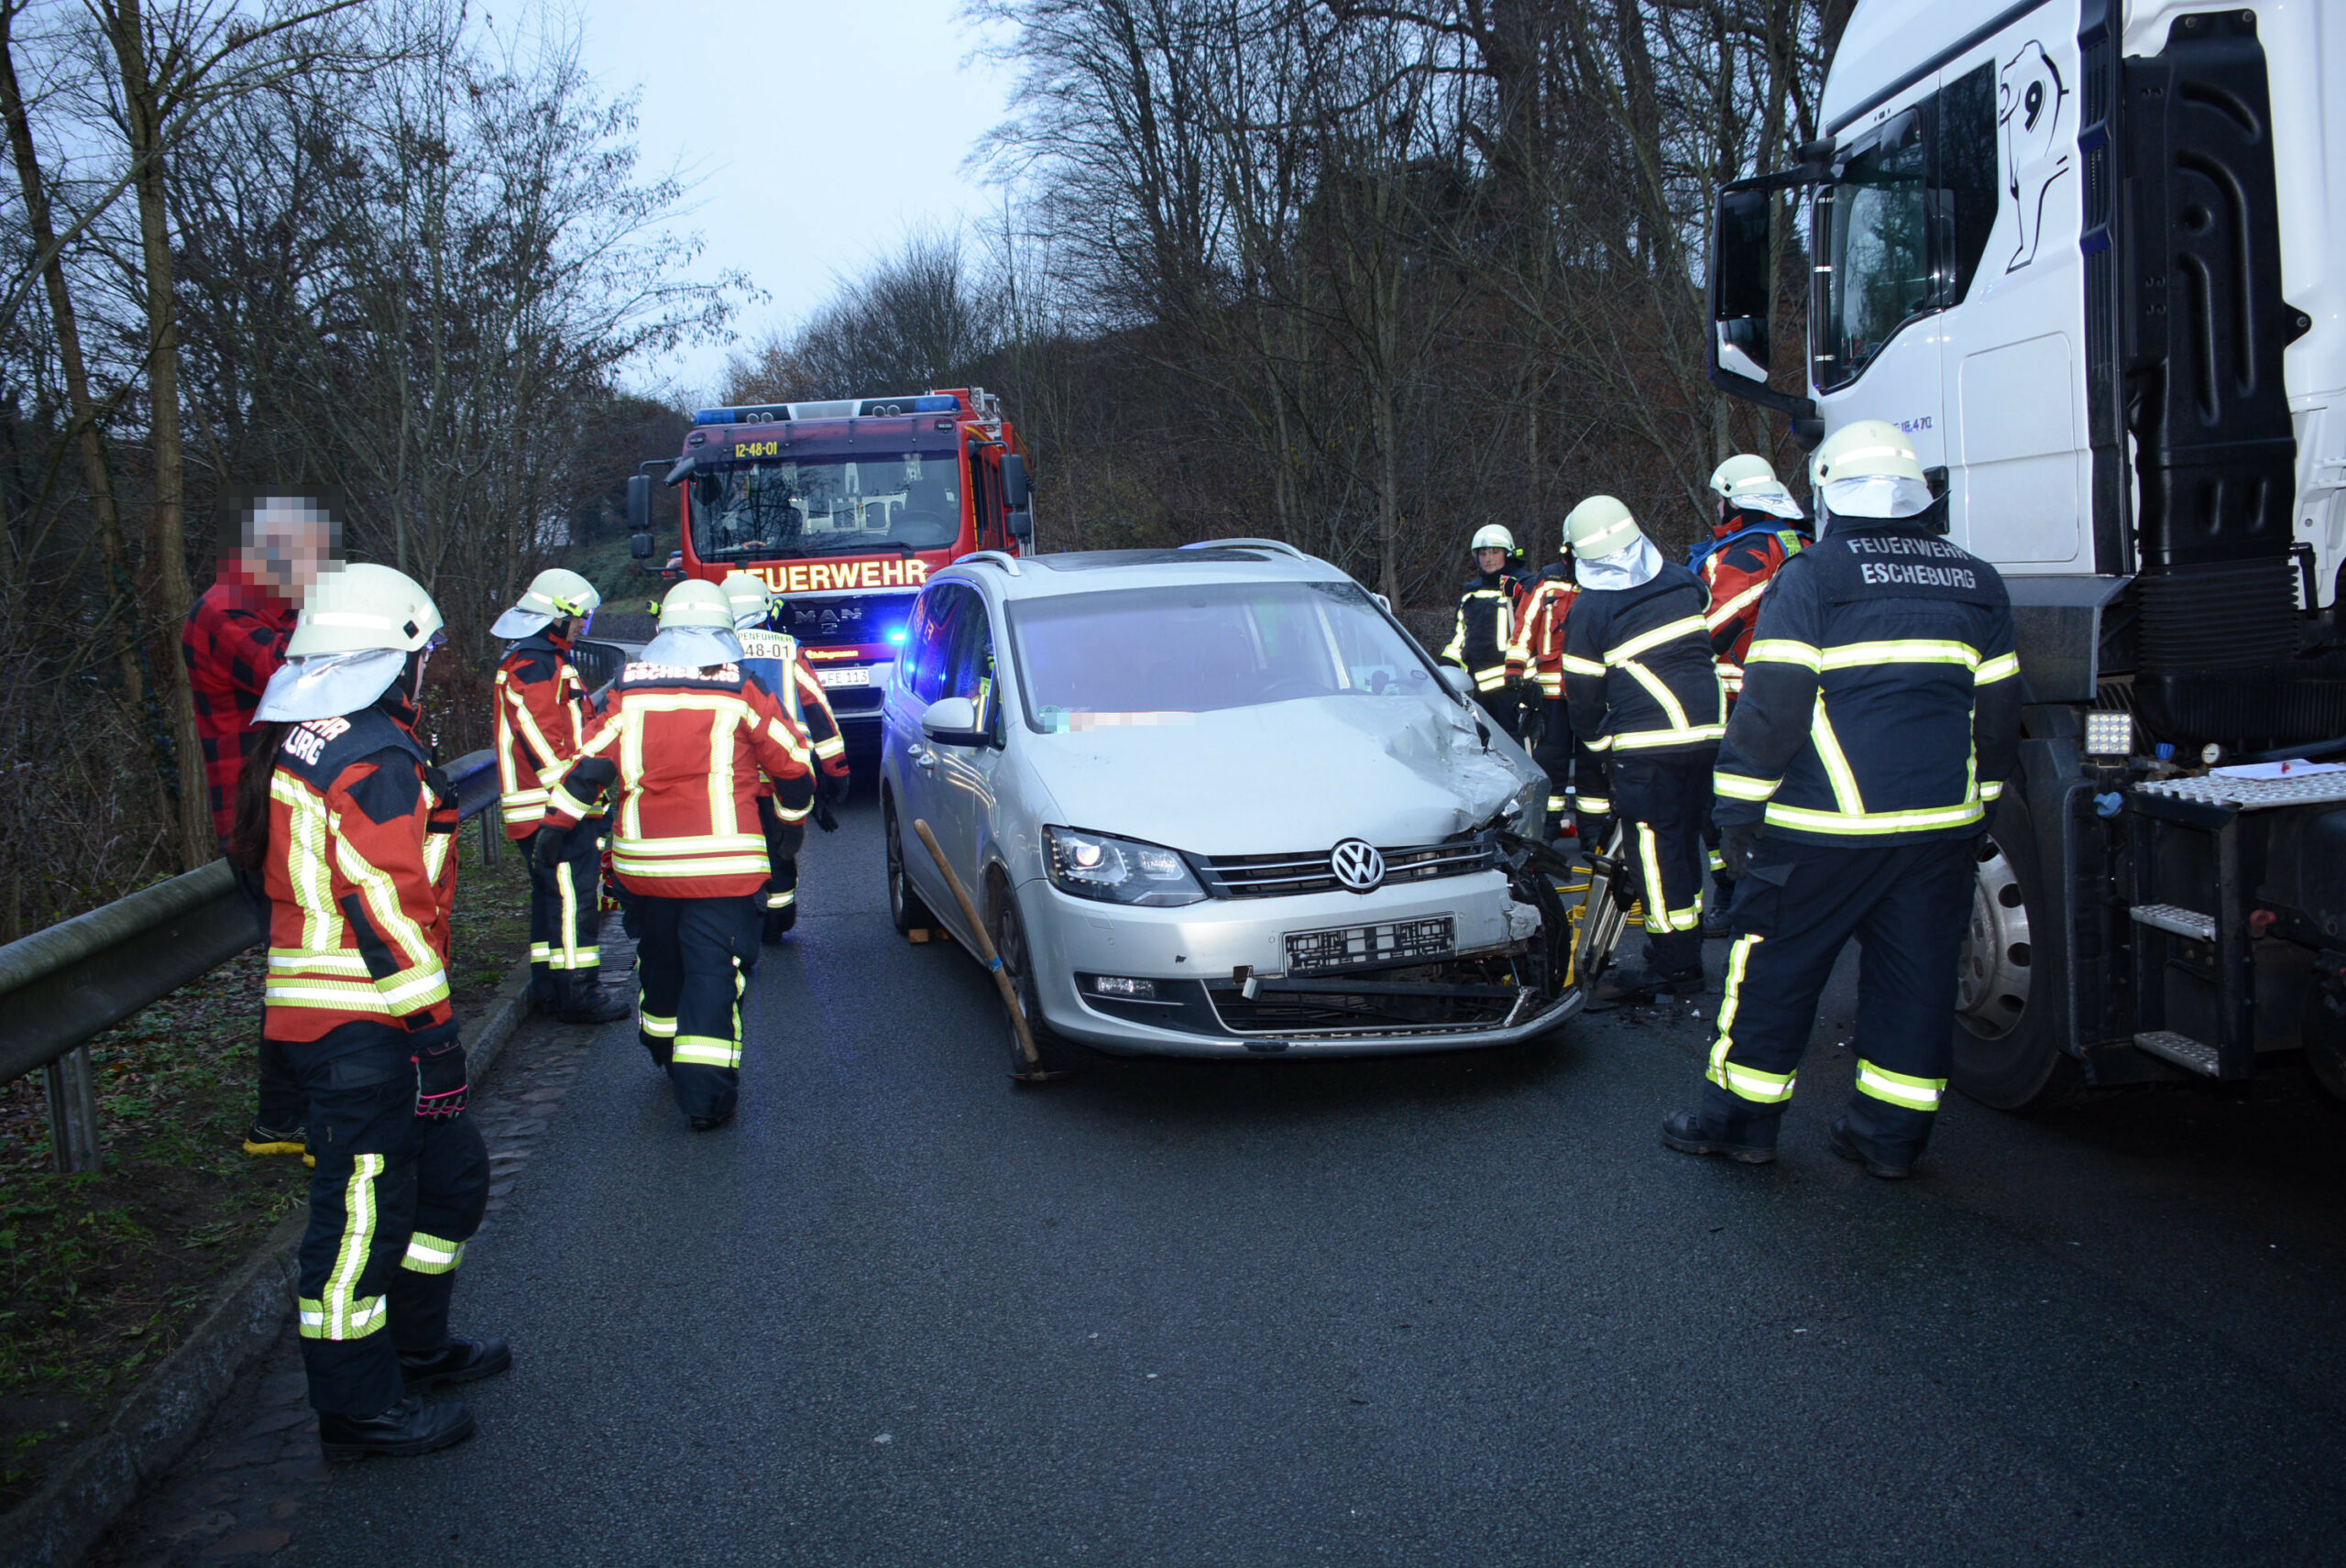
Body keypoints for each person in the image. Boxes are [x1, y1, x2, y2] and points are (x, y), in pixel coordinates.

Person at [1661, 421, 2021, 1178]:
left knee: (1775, 974)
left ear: (1828, 491)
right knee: (1918, 983)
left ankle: (1738, 1125)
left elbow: (1774, 706)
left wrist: (1737, 810)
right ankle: (1888, 1139)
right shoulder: (1978, 580)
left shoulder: (1815, 576)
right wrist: (1979, 803)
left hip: (1821, 831)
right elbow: (1996, 715)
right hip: (1939, 834)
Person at [231, 563, 500, 1461]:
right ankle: (357, 1410)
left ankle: (417, 1350)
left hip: (349, 1019)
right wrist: (438, 1037)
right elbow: (389, 912)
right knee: (357, 1224)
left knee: (449, 1181)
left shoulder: (308, 735)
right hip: (364, 1028)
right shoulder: (372, 755)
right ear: (397, 659)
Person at [537, 580, 817, 1130]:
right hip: (724, 869)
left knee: (661, 964)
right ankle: (706, 1096)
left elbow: (589, 764)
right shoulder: (740, 688)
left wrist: (556, 826)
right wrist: (789, 827)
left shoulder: (629, 689)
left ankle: (664, 1049)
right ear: (723, 631)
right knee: (713, 972)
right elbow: (790, 765)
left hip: (646, 868)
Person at [183, 494, 339, 1161]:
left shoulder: (278, 608)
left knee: (299, 961)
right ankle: (293, 1115)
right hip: (257, 821)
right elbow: (301, 676)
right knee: (300, 965)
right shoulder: (224, 613)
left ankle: (282, 1117)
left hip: (289, 811)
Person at [1560, 495, 1725, 1000]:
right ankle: (1687, 944)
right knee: (1687, 849)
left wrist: (1600, 745)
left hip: (1648, 750)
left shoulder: (1591, 609)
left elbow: (1583, 699)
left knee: (1656, 854)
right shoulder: (1682, 580)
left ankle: (1673, 966)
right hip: (1711, 738)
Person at [490, 568, 629, 1023]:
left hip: (546, 808)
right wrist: (579, 807)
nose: (582, 627)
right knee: (572, 902)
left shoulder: (540, 660)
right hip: (554, 810)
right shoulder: (537, 667)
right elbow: (552, 749)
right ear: (556, 616)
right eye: (580, 619)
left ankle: (550, 986)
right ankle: (579, 993)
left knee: (551, 899)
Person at [1691, 455, 1812, 933]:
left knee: (1724, 806)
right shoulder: (1800, 539)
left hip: (1738, 697)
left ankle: (1737, 897)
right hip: (1793, 693)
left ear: (1731, 500)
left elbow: (1718, 622)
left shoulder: (1750, 550)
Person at [718, 572, 850, 943]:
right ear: (766, 607)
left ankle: (740, 915)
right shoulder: (786, 648)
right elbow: (819, 712)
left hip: (732, 774)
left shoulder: (712, 652)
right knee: (781, 846)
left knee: (736, 846)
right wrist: (835, 771)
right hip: (785, 771)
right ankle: (778, 920)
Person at [1504, 534, 1586, 843]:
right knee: (1551, 763)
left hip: (1593, 694)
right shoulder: (1548, 582)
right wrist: (1515, 669)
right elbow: (1525, 625)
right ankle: (1545, 832)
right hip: (1551, 697)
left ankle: (1595, 837)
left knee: (1594, 771)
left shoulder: (1605, 581)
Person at [1441, 523, 1534, 738]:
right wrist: (1447, 665)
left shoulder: (1522, 585)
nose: (1488, 558)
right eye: (1483, 553)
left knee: (1514, 740)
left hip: (1511, 684)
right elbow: (1461, 634)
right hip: (1477, 685)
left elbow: (1529, 629)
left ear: (1508, 553)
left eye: (1494, 552)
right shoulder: (1471, 591)